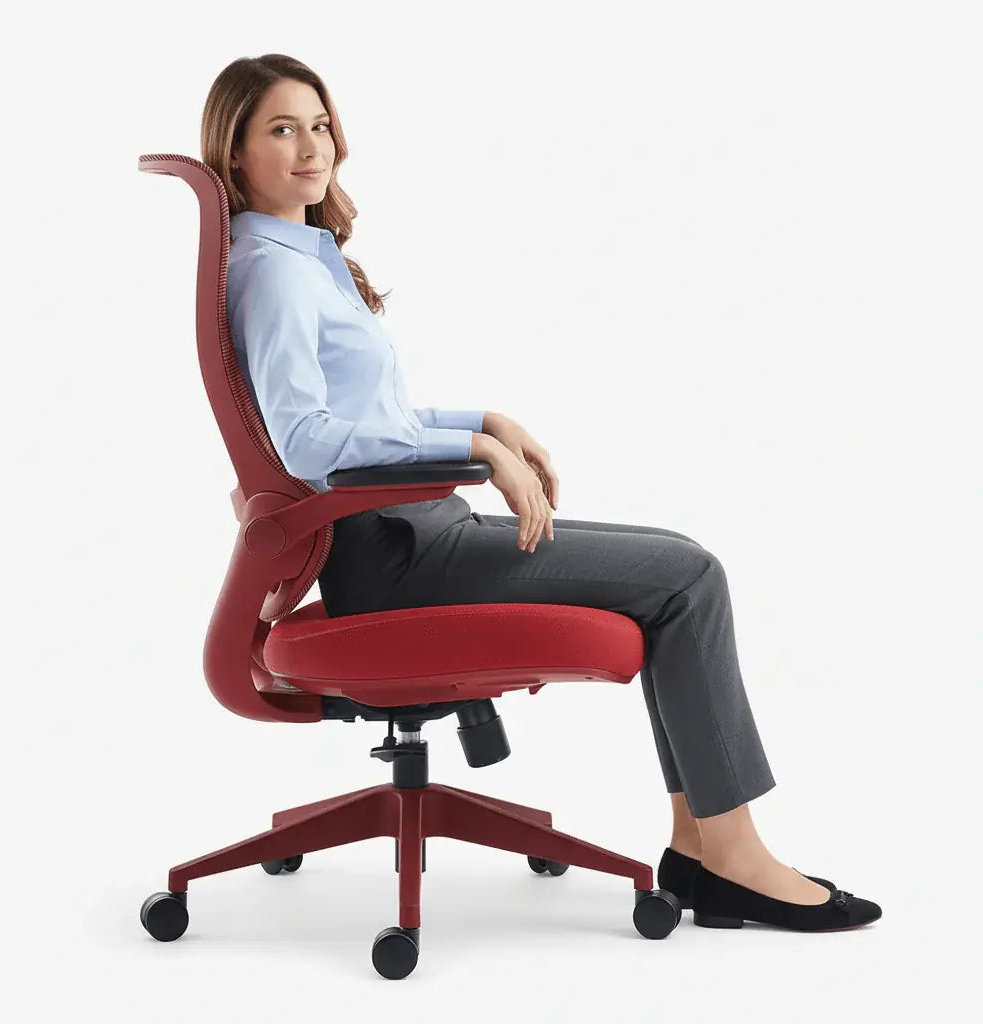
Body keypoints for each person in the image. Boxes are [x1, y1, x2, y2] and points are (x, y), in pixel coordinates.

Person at [204, 53, 881, 932]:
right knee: (689, 578)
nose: (311, 148)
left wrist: (483, 421)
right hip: (399, 555)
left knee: (679, 570)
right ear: (235, 151)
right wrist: (476, 451)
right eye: (281, 130)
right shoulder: (276, 272)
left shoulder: (296, 255)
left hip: (412, 531)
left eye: (320, 125)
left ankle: (701, 850)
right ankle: (736, 860)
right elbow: (308, 441)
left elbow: (367, 417)